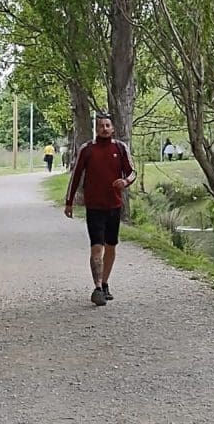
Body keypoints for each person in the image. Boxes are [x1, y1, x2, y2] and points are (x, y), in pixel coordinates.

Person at [64, 112, 136, 306]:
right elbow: (76, 175)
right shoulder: (87, 149)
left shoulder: (120, 147)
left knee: (111, 246)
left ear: (112, 128)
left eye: (107, 125)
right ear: (96, 129)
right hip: (94, 206)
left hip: (114, 205)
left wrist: (126, 181)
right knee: (97, 246)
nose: (104, 128)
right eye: (101, 126)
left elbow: (132, 171)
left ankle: (105, 283)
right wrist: (69, 201)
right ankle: (96, 287)